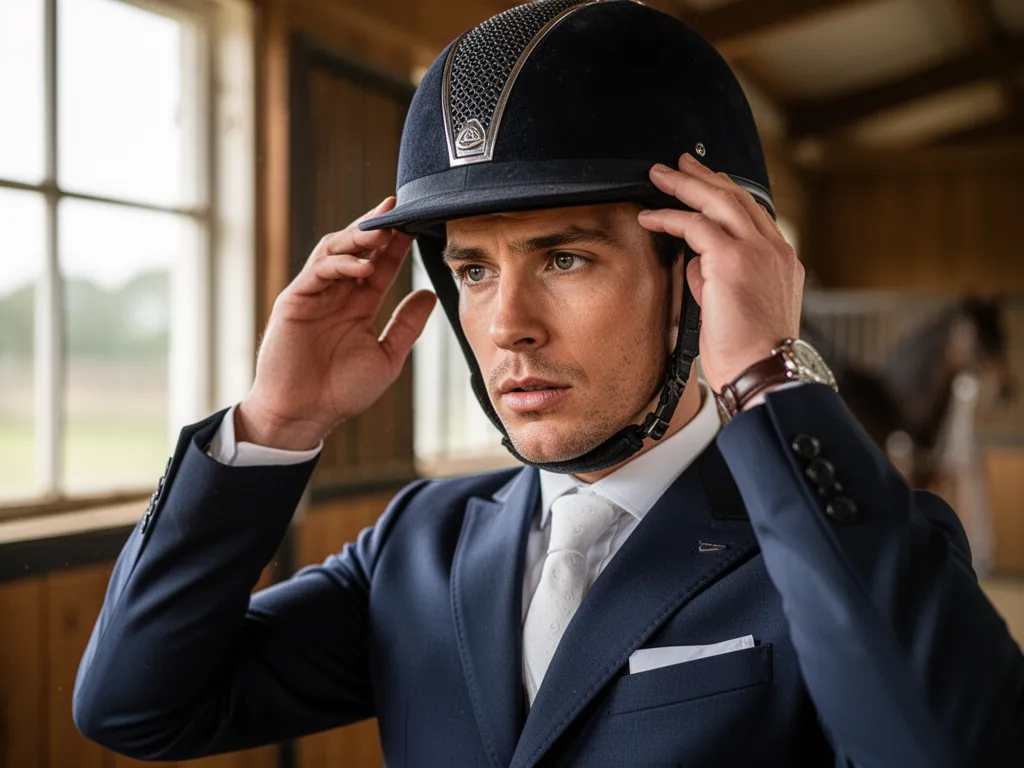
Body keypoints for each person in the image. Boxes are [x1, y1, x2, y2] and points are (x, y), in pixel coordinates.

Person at [74, 2, 1023, 766]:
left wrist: (767, 376)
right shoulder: (417, 549)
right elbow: (136, 707)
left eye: (564, 258)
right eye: (475, 270)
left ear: (704, 271)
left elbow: (954, 743)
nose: (503, 324)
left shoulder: (837, 546)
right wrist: (275, 422)